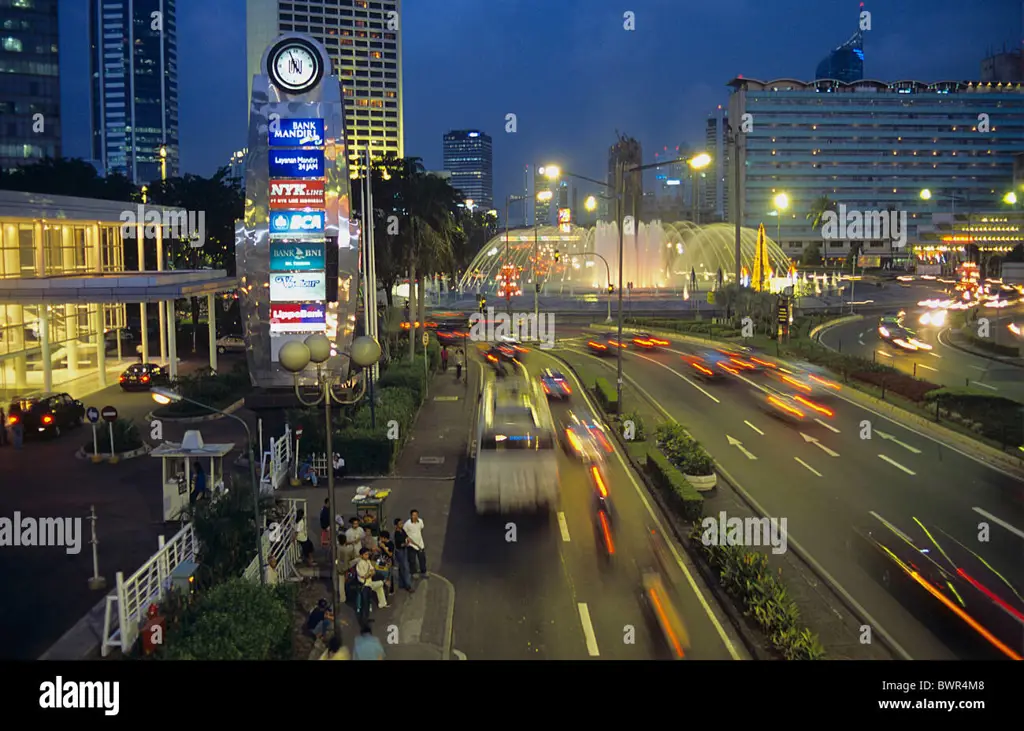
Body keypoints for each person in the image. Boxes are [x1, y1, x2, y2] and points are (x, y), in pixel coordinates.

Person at [403, 509, 427, 578]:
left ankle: (423, 571)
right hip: (411, 545)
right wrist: (407, 541)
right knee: (412, 560)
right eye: (413, 515)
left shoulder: (420, 521)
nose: (415, 516)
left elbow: (421, 528)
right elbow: (404, 533)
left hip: (420, 544)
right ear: (411, 516)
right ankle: (413, 572)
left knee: (422, 559)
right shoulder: (407, 524)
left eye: (416, 515)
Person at [393, 518, 413, 593]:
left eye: (402, 523)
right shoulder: (397, 534)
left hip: (404, 550)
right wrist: (406, 544)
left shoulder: (402, 531)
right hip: (400, 551)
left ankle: (401, 584)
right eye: (400, 524)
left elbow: (406, 536)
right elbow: (399, 545)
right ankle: (408, 585)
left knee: (402, 567)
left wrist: (408, 539)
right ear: (396, 525)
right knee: (405, 567)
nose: (402, 525)